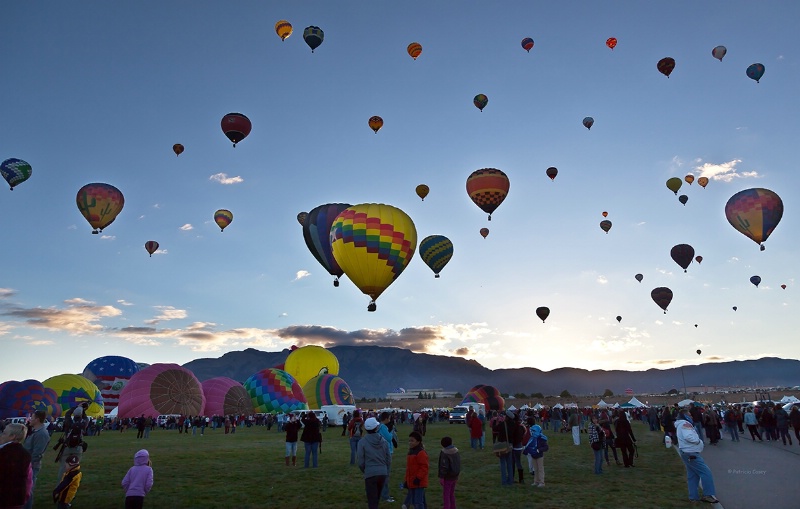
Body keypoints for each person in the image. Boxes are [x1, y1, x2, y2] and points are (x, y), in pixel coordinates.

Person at [675, 409, 719, 504]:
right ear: (685, 416)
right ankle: (708, 494)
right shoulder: (685, 424)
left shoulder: (681, 424)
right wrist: (698, 441)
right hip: (691, 452)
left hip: (687, 452)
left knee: (693, 475)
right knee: (706, 472)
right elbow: (688, 437)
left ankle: (693, 497)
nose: (691, 417)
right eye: (690, 415)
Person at [356, 417, 390, 509]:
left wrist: (366, 470)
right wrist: (385, 469)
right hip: (382, 472)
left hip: (370, 473)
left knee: (372, 501)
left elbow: (361, 461)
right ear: (376, 428)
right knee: (376, 499)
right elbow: (388, 459)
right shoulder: (384, 441)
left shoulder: (362, 442)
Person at [23, 410, 51, 509]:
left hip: (31, 465)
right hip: (27, 464)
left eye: (32, 417)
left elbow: (37, 453)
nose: (30, 419)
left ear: (37, 420)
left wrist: (26, 463)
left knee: (28, 490)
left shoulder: (42, 434)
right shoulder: (34, 431)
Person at [0, 423, 32, 509]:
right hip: (18, 499)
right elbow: (28, 480)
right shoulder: (25, 454)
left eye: (4, 433)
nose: (1, 435)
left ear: (12, 436)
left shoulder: (3, 454)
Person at [402, 431, 428, 509]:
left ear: (418, 441)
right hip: (412, 481)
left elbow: (424, 467)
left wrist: (418, 478)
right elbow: (408, 469)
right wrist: (406, 480)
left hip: (418, 482)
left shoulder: (421, 453)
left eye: (412, 441)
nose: (410, 442)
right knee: (416, 500)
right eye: (409, 440)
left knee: (418, 502)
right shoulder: (411, 452)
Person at [377, 412, 396, 503]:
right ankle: (385, 495)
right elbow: (389, 438)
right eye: (389, 418)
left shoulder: (379, 427)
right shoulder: (383, 427)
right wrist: (392, 431)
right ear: (386, 418)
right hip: (387, 451)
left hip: (383, 451)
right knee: (386, 475)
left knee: (383, 474)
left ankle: (383, 494)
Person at [492, 411, 514, 486]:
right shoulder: (513, 424)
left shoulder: (503, 424)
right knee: (509, 463)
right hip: (510, 444)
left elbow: (494, 428)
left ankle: (504, 481)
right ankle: (510, 480)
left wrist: (496, 421)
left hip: (503, 445)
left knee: (503, 463)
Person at [438, 436, 460, 509]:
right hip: (455, 475)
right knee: (451, 494)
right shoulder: (456, 451)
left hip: (448, 477)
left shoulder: (445, 453)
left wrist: (441, 477)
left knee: (446, 495)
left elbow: (444, 466)